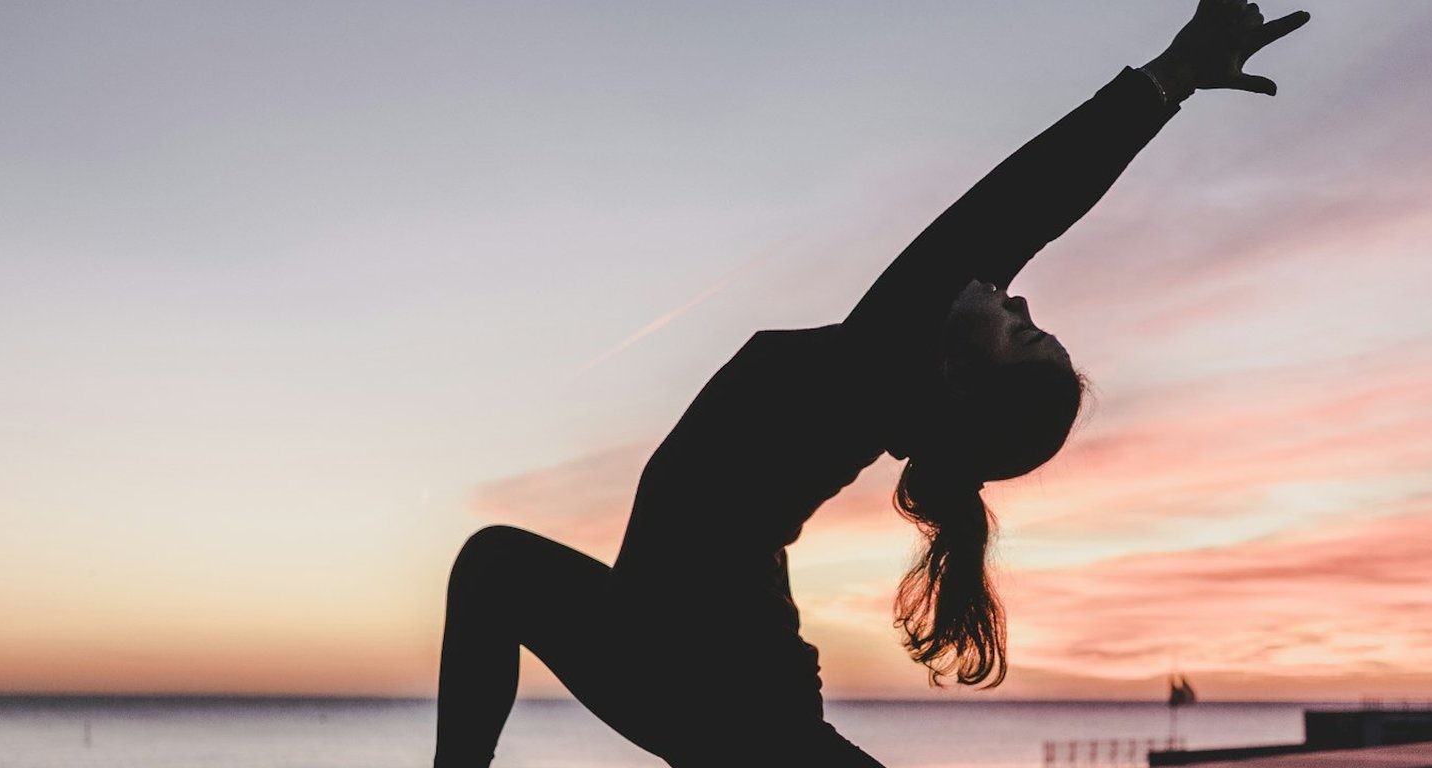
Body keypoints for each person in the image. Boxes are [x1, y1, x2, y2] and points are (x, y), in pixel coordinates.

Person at [433, 2, 1308, 765]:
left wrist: (1175, 74)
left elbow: (1021, 203)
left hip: (727, 697)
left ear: (960, 380)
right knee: (493, 565)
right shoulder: (887, 375)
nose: (1018, 295)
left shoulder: (880, 364)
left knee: (495, 566)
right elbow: (1012, 220)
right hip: (656, 653)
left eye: (1023, 331)